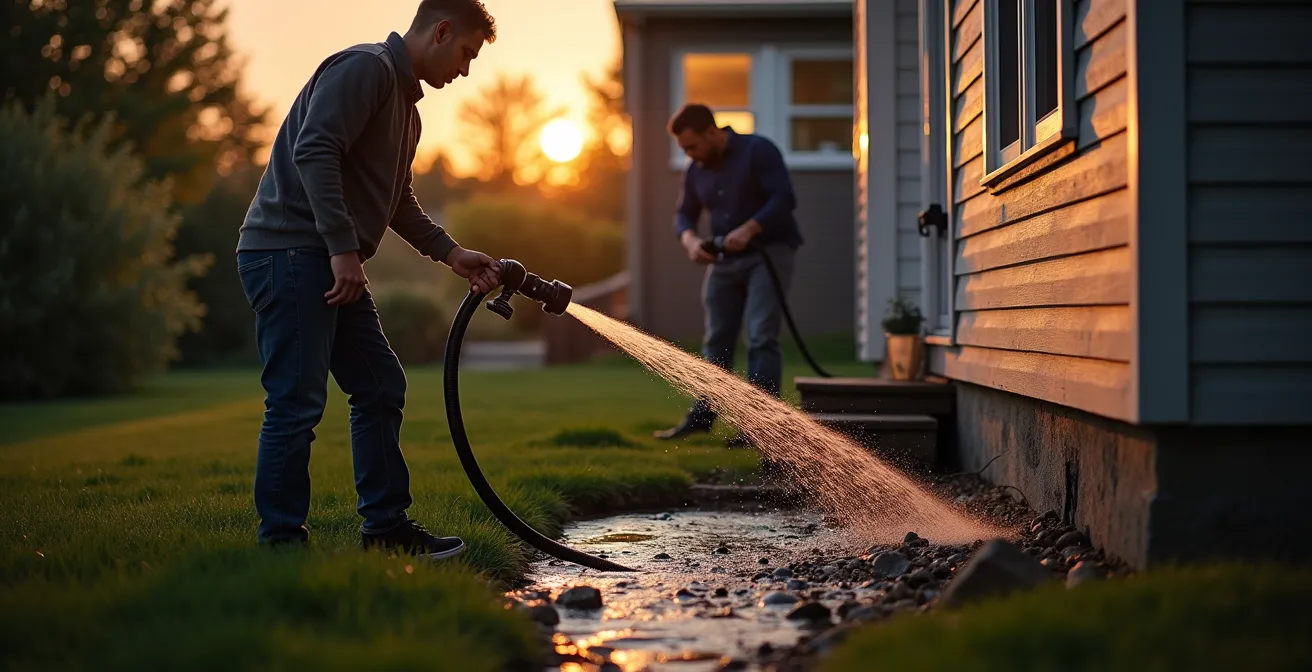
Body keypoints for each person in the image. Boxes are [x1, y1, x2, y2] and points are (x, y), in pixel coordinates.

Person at [234, 0, 501, 558]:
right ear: (442, 30)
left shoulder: (408, 110)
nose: (467, 69)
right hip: (288, 251)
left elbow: (395, 199)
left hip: (325, 257)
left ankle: (385, 530)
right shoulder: (365, 69)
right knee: (296, 402)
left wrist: (451, 253)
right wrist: (342, 250)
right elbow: (314, 150)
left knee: (380, 385)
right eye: (467, 54)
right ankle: (280, 544)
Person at [653, 103, 804, 446]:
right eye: (683, 150)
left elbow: (784, 199)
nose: (689, 154)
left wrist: (749, 230)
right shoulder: (696, 170)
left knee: (761, 337)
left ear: (711, 132)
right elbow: (684, 216)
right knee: (716, 339)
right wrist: (691, 241)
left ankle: (760, 427)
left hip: (769, 253)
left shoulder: (759, 150)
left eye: (692, 146)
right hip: (724, 261)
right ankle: (704, 416)